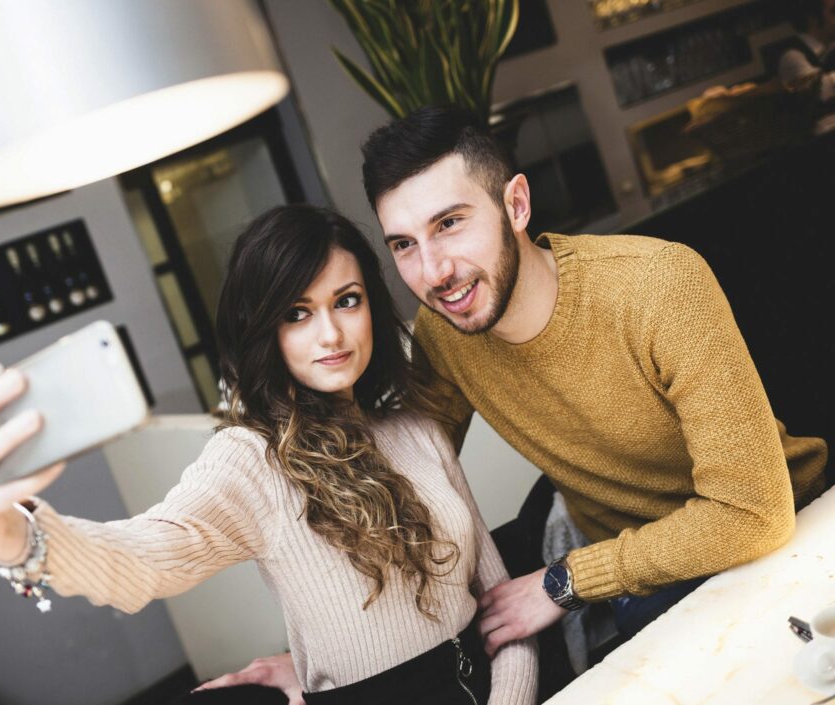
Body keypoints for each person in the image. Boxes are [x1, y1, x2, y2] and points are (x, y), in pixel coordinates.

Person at [200, 105, 829, 698]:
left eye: (449, 223)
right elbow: (400, 480)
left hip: (799, 533)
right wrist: (331, 670)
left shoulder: (657, 284)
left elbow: (752, 512)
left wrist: (563, 583)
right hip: (647, 581)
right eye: (404, 244)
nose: (434, 271)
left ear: (516, 204)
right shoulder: (444, 335)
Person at [0, 204, 538, 705]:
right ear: (263, 328)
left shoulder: (416, 429)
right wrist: (11, 536)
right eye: (298, 313)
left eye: (346, 300)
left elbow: (501, 607)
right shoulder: (250, 460)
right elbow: (143, 558)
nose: (331, 334)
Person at [776, 0, 835, 106]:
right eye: (833, 11)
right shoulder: (791, 57)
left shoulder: (831, 47)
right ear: (813, 19)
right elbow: (820, 91)